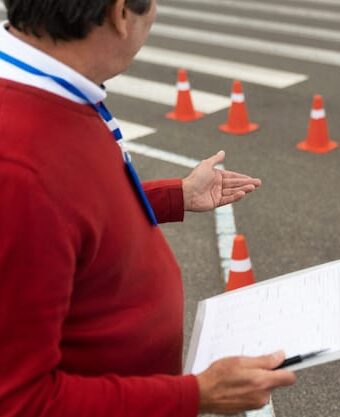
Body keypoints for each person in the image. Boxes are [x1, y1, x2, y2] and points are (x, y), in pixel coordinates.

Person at [0, 0, 296, 416]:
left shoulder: (54, 89)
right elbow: (20, 402)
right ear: (120, 14)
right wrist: (197, 395)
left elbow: (72, 216)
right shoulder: (19, 164)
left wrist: (174, 194)